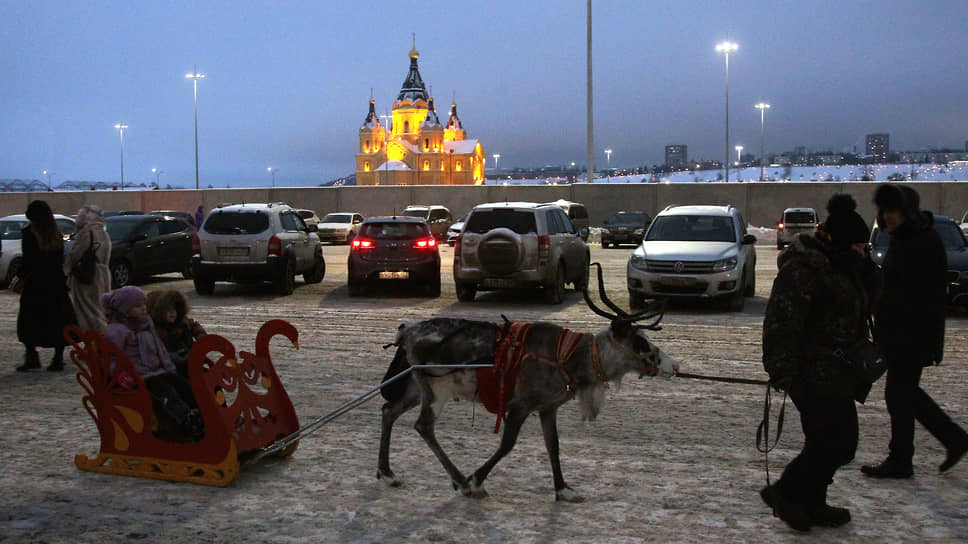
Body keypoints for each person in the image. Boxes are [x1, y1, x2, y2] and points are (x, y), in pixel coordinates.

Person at [761, 194, 879, 531]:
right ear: (841, 244)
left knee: (830, 443)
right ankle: (785, 493)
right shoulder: (805, 270)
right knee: (836, 443)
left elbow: (867, 304)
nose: (863, 252)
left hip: (839, 372)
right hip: (810, 372)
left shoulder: (843, 268)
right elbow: (781, 324)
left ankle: (812, 502)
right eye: (859, 246)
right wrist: (784, 371)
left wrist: (865, 270)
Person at [861, 184, 968, 478]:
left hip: (910, 334)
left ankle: (907, 456)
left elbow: (922, 297)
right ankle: (939, 444)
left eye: (893, 211)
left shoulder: (920, 241)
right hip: (901, 333)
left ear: (906, 211)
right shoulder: (906, 238)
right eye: (885, 211)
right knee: (903, 394)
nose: (889, 217)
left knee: (900, 394)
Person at [102, 286, 204, 441]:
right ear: (125, 310)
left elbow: (159, 348)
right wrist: (121, 376)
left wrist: (169, 366)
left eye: (144, 304)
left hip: (157, 370)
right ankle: (186, 419)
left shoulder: (146, 324)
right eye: (138, 306)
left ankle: (202, 412)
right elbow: (112, 357)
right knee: (166, 393)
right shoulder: (117, 331)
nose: (144, 309)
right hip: (139, 376)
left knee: (183, 385)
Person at [15, 200, 77, 372]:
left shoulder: (29, 233)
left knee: (29, 321)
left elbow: (29, 262)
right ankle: (57, 359)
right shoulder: (56, 234)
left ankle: (31, 356)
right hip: (55, 284)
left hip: (36, 285)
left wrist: (20, 276)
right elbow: (59, 260)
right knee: (58, 321)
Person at [65, 205, 112, 332]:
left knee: (88, 310)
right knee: (100, 308)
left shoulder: (87, 233)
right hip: (102, 275)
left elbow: (76, 255)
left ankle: (95, 340)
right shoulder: (104, 233)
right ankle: (101, 340)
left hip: (87, 276)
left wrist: (67, 270)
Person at [146, 289, 207, 379]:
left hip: (190, 358)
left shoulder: (182, 321)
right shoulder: (157, 330)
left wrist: (200, 335)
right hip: (173, 365)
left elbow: (194, 325)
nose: (172, 312)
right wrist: (171, 356)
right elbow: (156, 351)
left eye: (174, 309)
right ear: (159, 311)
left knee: (208, 376)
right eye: (167, 309)